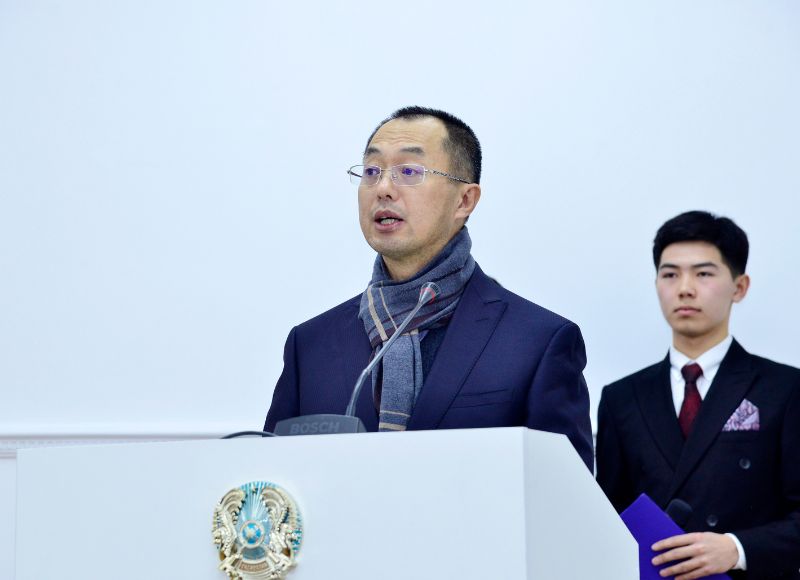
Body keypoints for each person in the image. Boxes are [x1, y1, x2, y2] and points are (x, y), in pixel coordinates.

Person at [264, 106, 593, 470]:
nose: (383, 188)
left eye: (409, 171)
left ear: (464, 200)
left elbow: (565, 497)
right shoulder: (310, 346)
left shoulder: (538, 342)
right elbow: (273, 488)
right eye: (371, 171)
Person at [596, 211, 800, 579]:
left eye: (703, 274)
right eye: (670, 274)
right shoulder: (622, 398)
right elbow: (606, 519)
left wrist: (737, 548)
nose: (685, 288)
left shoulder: (785, 389)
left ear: (740, 287)